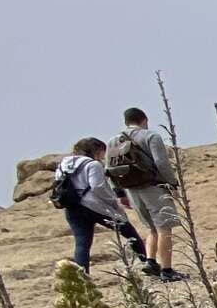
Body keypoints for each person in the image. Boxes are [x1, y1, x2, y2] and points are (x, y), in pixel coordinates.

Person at [108, 107, 185, 280]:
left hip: (131, 190)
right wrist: (172, 184)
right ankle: (167, 270)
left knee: (152, 228)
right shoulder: (151, 136)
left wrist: (120, 194)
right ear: (144, 119)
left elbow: (110, 169)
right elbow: (161, 162)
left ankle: (150, 261)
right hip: (154, 187)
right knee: (165, 228)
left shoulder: (113, 141)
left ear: (126, 121)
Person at [53, 138, 148, 273]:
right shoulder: (93, 165)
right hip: (94, 206)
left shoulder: (63, 165)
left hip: (72, 207)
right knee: (130, 233)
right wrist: (114, 203)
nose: (104, 156)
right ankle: (147, 264)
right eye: (103, 152)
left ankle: (83, 278)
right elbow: (98, 187)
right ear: (96, 151)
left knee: (82, 244)